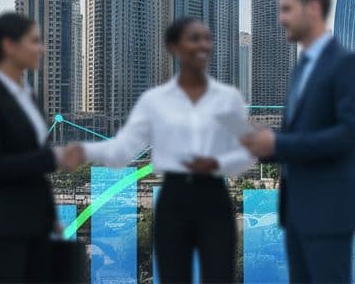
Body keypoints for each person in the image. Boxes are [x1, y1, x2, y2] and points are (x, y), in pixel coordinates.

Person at [62, 18, 253, 284]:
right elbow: (123, 149)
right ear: (174, 47)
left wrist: (216, 163)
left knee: (219, 276)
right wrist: (84, 150)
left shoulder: (227, 98)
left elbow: (246, 152)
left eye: (206, 39)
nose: (202, 45)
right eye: (194, 39)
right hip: (173, 201)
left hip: (214, 199)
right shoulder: (155, 101)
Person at [240, 0, 355, 284]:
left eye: (287, 9)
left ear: (312, 9)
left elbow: (351, 134)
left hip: (329, 210)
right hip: (296, 210)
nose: (281, 19)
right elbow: (297, 136)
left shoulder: (347, 64)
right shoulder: (301, 69)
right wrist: (260, 145)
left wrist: (277, 144)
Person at [0, 12, 69, 283]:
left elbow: (34, 168)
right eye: (34, 41)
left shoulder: (29, 98)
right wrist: (55, 158)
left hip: (36, 226)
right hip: (2, 228)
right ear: (10, 46)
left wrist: (50, 217)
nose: (41, 49)